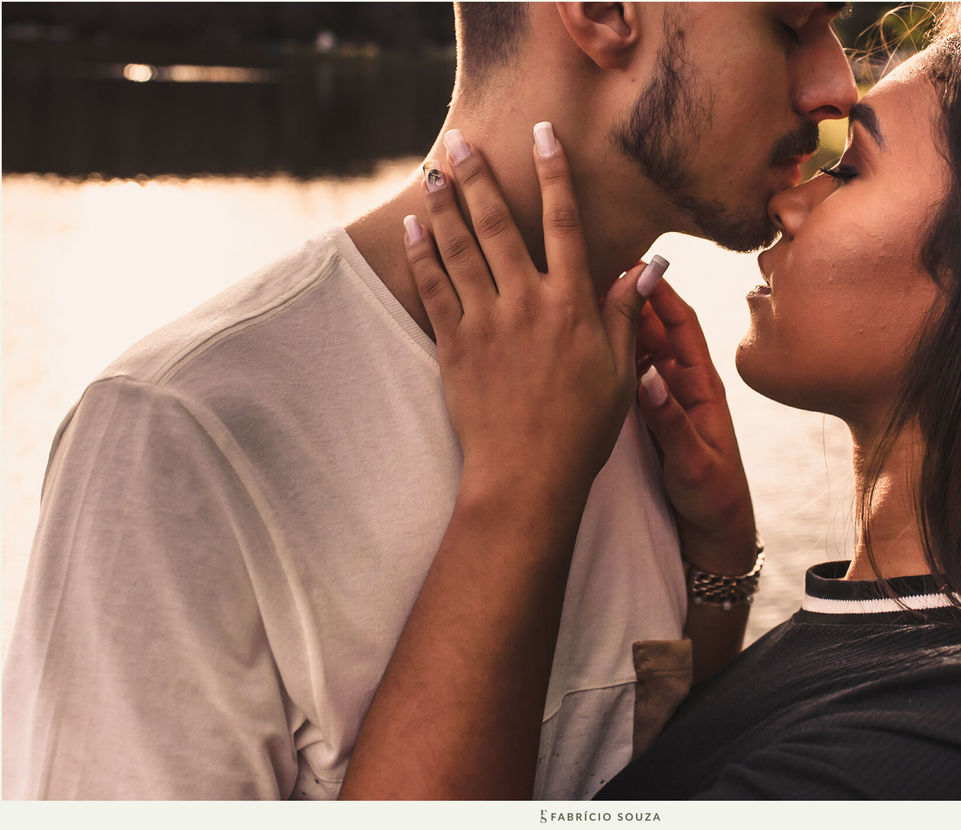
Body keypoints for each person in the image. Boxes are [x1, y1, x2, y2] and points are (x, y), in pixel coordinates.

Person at [339, 2, 961, 799]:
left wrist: (522, 486)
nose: (788, 201)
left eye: (847, 170)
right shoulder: (943, 655)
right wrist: (721, 567)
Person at [2, 3, 856, 799]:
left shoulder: (640, 389)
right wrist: (523, 490)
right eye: (791, 25)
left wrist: (720, 568)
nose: (839, 88)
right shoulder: (176, 438)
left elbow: (639, 780)